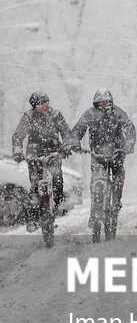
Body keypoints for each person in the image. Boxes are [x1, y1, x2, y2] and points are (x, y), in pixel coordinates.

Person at [71, 89, 136, 242]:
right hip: (98, 155)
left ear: (111, 102)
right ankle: (94, 212)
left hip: (117, 153)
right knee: (96, 183)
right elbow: (78, 129)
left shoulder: (118, 113)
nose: (104, 105)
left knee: (118, 176)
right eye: (100, 103)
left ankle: (117, 200)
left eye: (106, 102)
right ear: (96, 103)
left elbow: (130, 128)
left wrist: (129, 144)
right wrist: (74, 142)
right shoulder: (90, 114)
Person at [10, 91, 75, 232]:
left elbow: (66, 133)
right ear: (34, 107)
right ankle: (33, 218)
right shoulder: (28, 117)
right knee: (34, 188)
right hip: (34, 156)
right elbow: (18, 136)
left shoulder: (56, 115)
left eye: (46, 102)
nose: (44, 106)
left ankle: (56, 208)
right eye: (40, 104)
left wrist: (68, 145)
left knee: (58, 183)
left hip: (54, 154)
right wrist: (17, 151)